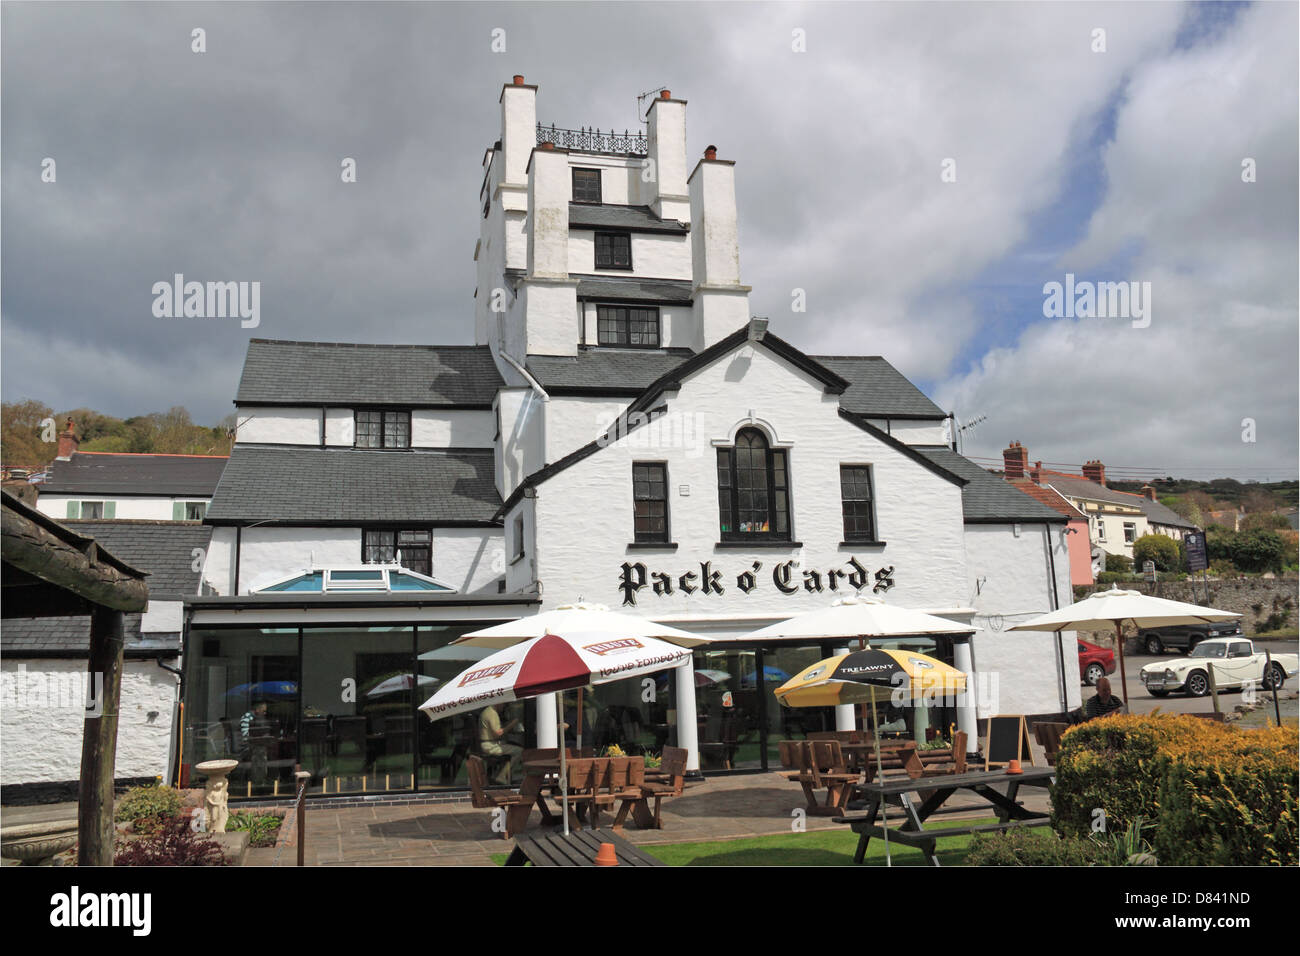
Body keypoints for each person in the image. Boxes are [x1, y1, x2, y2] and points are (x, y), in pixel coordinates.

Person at [479, 703, 522, 784]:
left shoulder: (487, 711)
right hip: (490, 746)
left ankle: (497, 775)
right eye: (504, 704)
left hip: (487, 744)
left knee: (510, 747)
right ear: (499, 703)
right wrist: (512, 724)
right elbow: (497, 733)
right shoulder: (492, 713)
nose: (504, 707)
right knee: (519, 751)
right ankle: (502, 776)